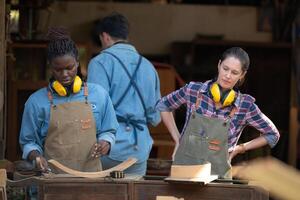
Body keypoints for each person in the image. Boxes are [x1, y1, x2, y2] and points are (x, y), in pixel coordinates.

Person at [156, 47, 280, 178]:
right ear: (219, 65)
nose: (227, 75)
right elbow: (163, 105)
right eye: (225, 69)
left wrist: (239, 148)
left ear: (242, 75)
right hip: (184, 172)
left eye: (234, 72)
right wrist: (177, 140)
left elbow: (272, 134)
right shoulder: (194, 91)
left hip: (218, 177)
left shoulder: (245, 106)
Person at [19, 27, 118, 172]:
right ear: (50, 67)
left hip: (90, 179)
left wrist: (106, 142)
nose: (65, 74)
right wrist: (36, 157)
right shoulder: (35, 102)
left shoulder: (99, 95)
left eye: (70, 67)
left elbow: (109, 130)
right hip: (51, 181)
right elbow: (28, 142)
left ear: (78, 62)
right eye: (58, 70)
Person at [87, 13, 161, 176]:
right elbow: (155, 118)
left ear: (104, 36)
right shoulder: (149, 67)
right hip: (139, 150)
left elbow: (94, 112)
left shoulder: (99, 62)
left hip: (107, 148)